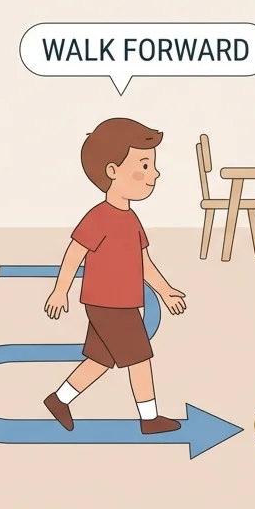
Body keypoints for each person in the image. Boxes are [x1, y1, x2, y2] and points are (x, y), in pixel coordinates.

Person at [41, 118, 187, 435]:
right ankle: (149, 419)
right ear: (112, 171)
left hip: (118, 303)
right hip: (110, 305)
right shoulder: (99, 217)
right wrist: (59, 291)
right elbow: (74, 252)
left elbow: (144, 262)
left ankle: (59, 399)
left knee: (100, 360)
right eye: (144, 165)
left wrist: (166, 290)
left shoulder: (131, 219)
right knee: (140, 358)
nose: (155, 173)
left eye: (153, 165)